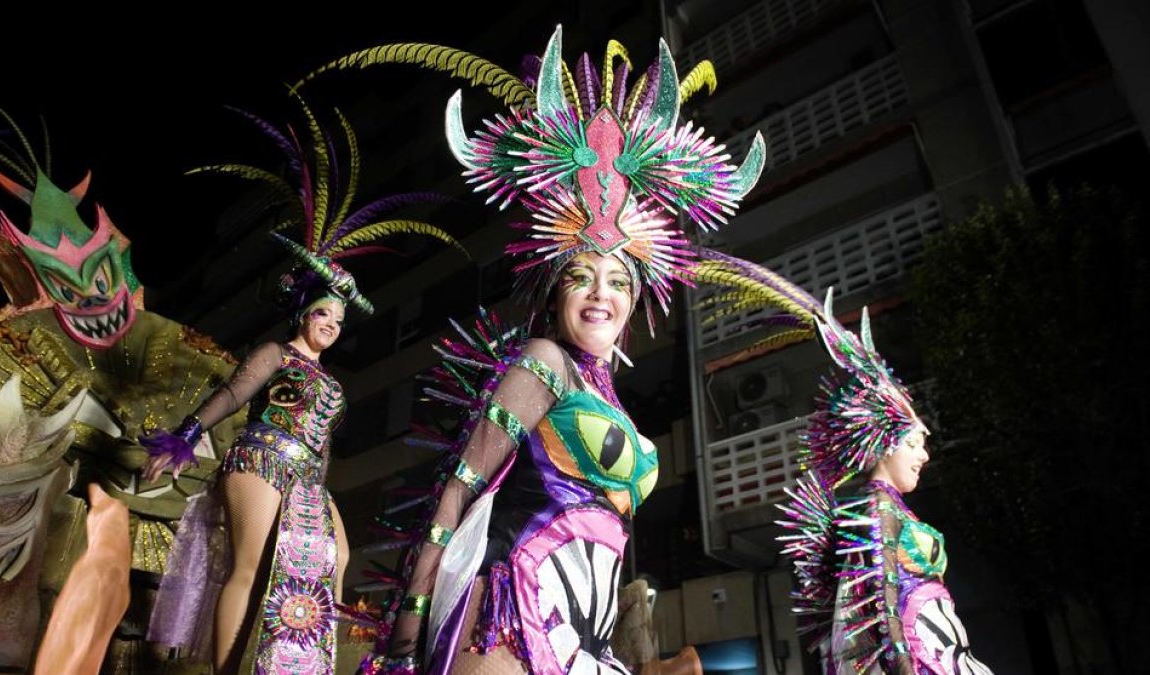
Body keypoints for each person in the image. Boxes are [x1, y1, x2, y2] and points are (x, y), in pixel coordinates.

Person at [322, 25, 770, 675]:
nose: (600, 293)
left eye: (619, 281)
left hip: (585, 636)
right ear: (554, 287)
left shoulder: (607, 393)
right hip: (513, 617)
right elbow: (457, 491)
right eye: (581, 275)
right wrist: (407, 630)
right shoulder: (544, 360)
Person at [138, 99, 463, 675]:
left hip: (309, 479)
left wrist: (321, 484)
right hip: (261, 459)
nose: (331, 328)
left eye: (338, 322)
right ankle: (226, 669)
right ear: (303, 315)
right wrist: (186, 436)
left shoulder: (332, 382)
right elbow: (236, 394)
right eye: (323, 317)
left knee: (335, 556)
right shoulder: (274, 353)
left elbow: (327, 443)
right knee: (250, 565)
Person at [776, 290, 994, 674]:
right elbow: (881, 602)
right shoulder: (878, 509)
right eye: (913, 443)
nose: (924, 455)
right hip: (922, 655)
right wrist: (904, 665)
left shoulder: (889, 506)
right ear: (883, 446)